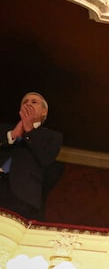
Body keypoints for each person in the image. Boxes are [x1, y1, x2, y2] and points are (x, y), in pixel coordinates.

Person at [0, 92, 63, 220]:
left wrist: (29, 131)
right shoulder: (3, 130)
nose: (28, 103)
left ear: (44, 112)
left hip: (22, 196)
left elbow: (46, 159)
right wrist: (12, 135)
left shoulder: (52, 136)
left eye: (34, 102)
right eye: (25, 102)